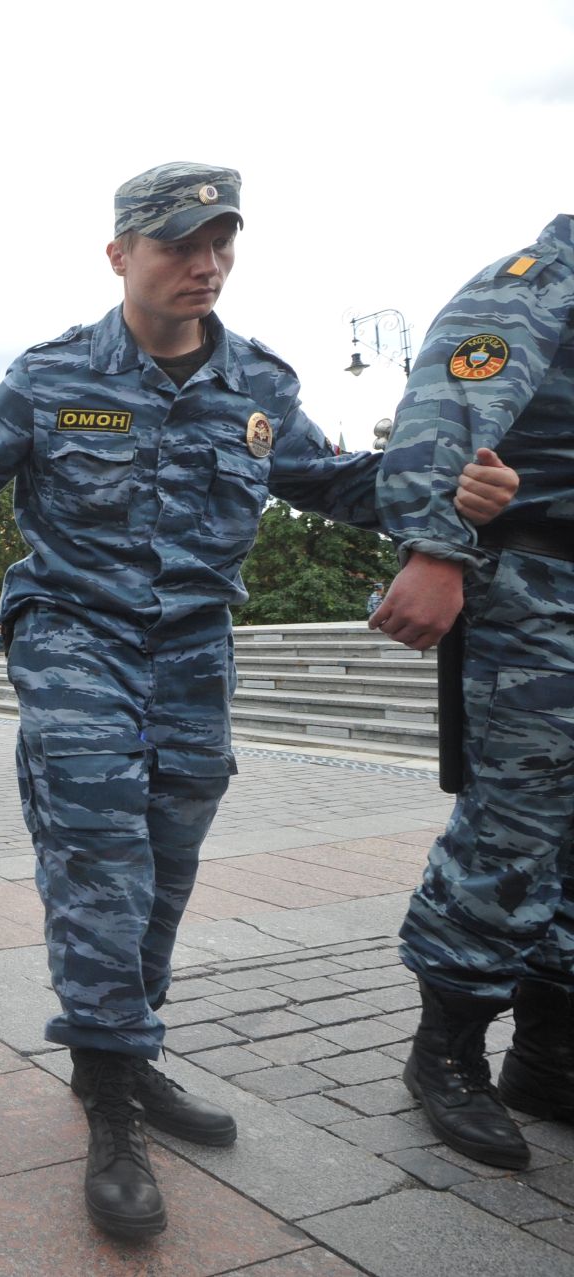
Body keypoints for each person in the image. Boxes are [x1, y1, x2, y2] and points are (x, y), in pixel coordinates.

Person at [0, 162, 519, 1239]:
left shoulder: (260, 385)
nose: (205, 265)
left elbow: (332, 481)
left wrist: (448, 491)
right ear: (119, 256)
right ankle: (109, 1096)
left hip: (194, 648)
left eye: (220, 244)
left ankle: (125, 1048)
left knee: (167, 860)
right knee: (100, 850)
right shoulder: (52, 375)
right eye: (179, 245)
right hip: (74, 637)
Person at [370, 213, 574, 1171]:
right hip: (539, 600)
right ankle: (446, 1050)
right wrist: (437, 552)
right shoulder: (537, 281)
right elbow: (444, 420)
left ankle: (551, 1052)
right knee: (514, 827)